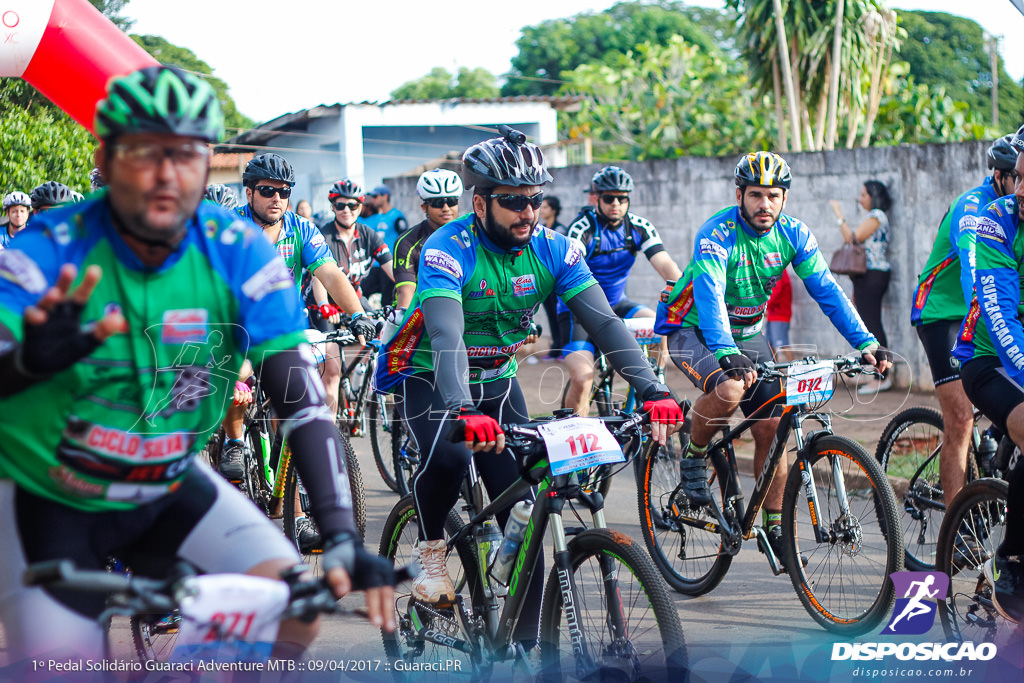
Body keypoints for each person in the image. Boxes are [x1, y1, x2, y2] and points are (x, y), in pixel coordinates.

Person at [0, 65, 393, 662]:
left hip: (162, 476)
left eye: (186, 155)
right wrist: (25, 365)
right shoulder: (42, 252)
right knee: (61, 662)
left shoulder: (237, 251)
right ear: (104, 162)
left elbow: (302, 399)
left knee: (292, 612)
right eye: (143, 153)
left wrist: (339, 531)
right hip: (47, 491)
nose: (166, 174)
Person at [374, 128, 684, 651]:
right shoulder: (446, 248)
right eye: (513, 201)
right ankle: (430, 559)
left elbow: (605, 324)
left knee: (528, 500)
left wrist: (654, 391)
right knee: (451, 453)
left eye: (535, 199)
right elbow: (447, 335)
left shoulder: (556, 249)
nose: (527, 211)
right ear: (479, 202)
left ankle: (518, 644)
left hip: (495, 376)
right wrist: (460, 408)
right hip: (430, 372)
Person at [655, 151, 892, 570]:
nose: (765, 204)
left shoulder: (795, 234)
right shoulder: (717, 232)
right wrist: (725, 351)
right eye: (756, 195)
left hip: (747, 335)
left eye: (773, 196)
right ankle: (693, 453)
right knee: (729, 387)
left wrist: (867, 342)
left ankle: (775, 526)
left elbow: (828, 291)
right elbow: (709, 296)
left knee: (774, 425)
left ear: (784, 198)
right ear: (740, 195)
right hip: (692, 329)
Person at [911, 134, 1019, 509]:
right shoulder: (974, 210)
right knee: (959, 419)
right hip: (942, 312)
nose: (1020, 188)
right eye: (1016, 178)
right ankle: (958, 530)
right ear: (1001, 175)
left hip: (982, 312)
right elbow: (975, 272)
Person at [951, 123, 1024, 622]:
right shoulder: (996, 219)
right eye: (1018, 178)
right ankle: (1013, 562)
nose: (1019, 191)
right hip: (988, 357)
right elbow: (1000, 318)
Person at [561, 166, 682, 414]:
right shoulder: (582, 229)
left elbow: (665, 264)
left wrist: (683, 293)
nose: (616, 203)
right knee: (583, 378)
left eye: (622, 198)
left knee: (660, 328)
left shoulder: (639, 227)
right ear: (596, 198)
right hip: (579, 312)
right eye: (608, 198)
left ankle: (651, 385)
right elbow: (570, 272)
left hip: (618, 304)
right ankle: (574, 432)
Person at [306, 179, 393, 423]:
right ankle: (330, 435)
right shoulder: (323, 236)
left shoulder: (369, 235)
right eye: (340, 205)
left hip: (354, 299)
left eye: (352, 205)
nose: (346, 210)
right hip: (322, 305)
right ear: (332, 206)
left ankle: (361, 381)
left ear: (360, 206)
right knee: (332, 370)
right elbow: (319, 278)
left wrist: (411, 295)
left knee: (385, 333)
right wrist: (323, 305)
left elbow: (394, 271)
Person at [829, 180, 893, 393]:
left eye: (863, 194)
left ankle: (882, 377)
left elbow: (852, 239)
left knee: (872, 324)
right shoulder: (873, 215)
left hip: (873, 275)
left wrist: (839, 215)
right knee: (868, 323)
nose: (860, 198)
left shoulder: (877, 215)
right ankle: (873, 373)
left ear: (873, 196)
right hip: (866, 276)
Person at [392, 169, 464, 310]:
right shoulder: (408, 242)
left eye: (451, 201)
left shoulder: (471, 236)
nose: (446, 208)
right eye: (438, 203)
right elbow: (406, 294)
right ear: (424, 207)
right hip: (417, 312)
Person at [362, 184, 407, 306]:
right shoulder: (378, 217)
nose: (373, 200)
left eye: (376, 196)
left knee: (387, 300)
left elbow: (405, 239)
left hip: (390, 264)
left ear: (385, 196)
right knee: (362, 291)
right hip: (376, 265)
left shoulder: (396, 216)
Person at [538, 196, 566, 360]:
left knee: (559, 316)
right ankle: (555, 349)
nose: (542, 210)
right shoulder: (539, 229)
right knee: (550, 315)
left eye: (546, 207)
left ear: (554, 210)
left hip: (556, 282)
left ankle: (562, 349)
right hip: (544, 281)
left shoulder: (560, 230)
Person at [765, 267, 793, 362]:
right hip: (772, 315)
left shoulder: (779, 270)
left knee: (782, 345)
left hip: (780, 315)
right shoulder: (773, 270)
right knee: (770, 345)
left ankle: (795, 371)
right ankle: (775, 370)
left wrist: (764, 306)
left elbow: (775, 291)